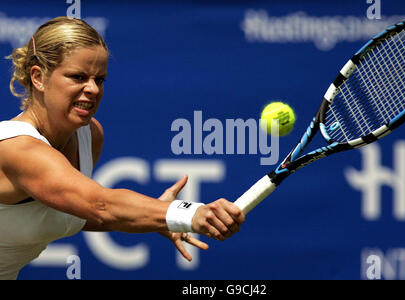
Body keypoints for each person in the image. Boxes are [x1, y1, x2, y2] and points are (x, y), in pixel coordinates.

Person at [0, 16, 245, 280]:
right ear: (38, 77)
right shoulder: (17, 148)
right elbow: (99, 206)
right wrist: (184, 213)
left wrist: (157, 216)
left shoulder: (90, 134)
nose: (93, 89)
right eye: (78, 77)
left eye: (100, 79)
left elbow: (70, 212)